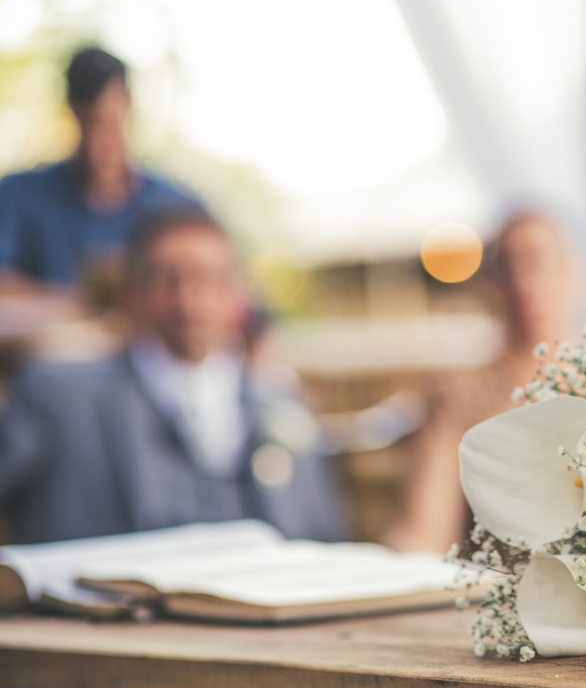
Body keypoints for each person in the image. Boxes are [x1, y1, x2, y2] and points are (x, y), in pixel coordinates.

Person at [0, 208, 347, 544]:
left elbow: (323, 536)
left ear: (236, 296)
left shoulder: (279, 403)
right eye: (169, 280)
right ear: (134, 293)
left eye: (208, 279)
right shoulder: (57, 395)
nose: (188, 301)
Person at [385, 213, 580, 553]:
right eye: (507, 266)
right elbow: (424, 531)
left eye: (538, 261)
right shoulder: (458, 393)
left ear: (573, 272)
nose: (524, 280)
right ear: (491, 282)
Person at [0, 47, 202, 289]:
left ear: (128, 105)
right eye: (90, 124)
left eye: (109, 124)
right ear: (72, 113)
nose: (100, 145)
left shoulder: (176, 208)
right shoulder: (21, 195)